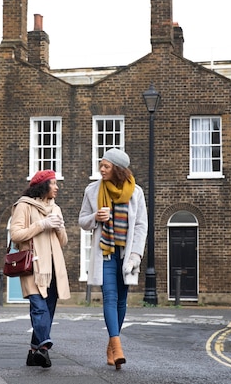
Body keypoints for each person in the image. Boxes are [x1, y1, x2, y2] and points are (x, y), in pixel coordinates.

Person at [78, 148, 148, 369]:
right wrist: (95, 217)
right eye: (101, 165)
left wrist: (136, 255)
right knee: (109, 296)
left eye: (106, 166)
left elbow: (140, 226)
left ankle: (110, 344)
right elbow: (82, 221)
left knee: (121, 300)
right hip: (105, 251)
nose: (101, 169)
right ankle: (117, 347)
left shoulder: (136, 192)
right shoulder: (92, 190)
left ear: (117, 169)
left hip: (126, 254)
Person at [10, 169, 70, 368]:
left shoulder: (56, 208)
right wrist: (42, 224)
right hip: (33, 266)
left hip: (53, 267)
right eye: (53, 183)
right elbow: (16, 235)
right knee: (39, 307)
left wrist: (59, 227)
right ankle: (44, 346)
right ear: (43, 186)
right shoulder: (24, 206)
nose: (57, 187)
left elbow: (63, 241)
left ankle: (34, 350)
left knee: (49, 308)